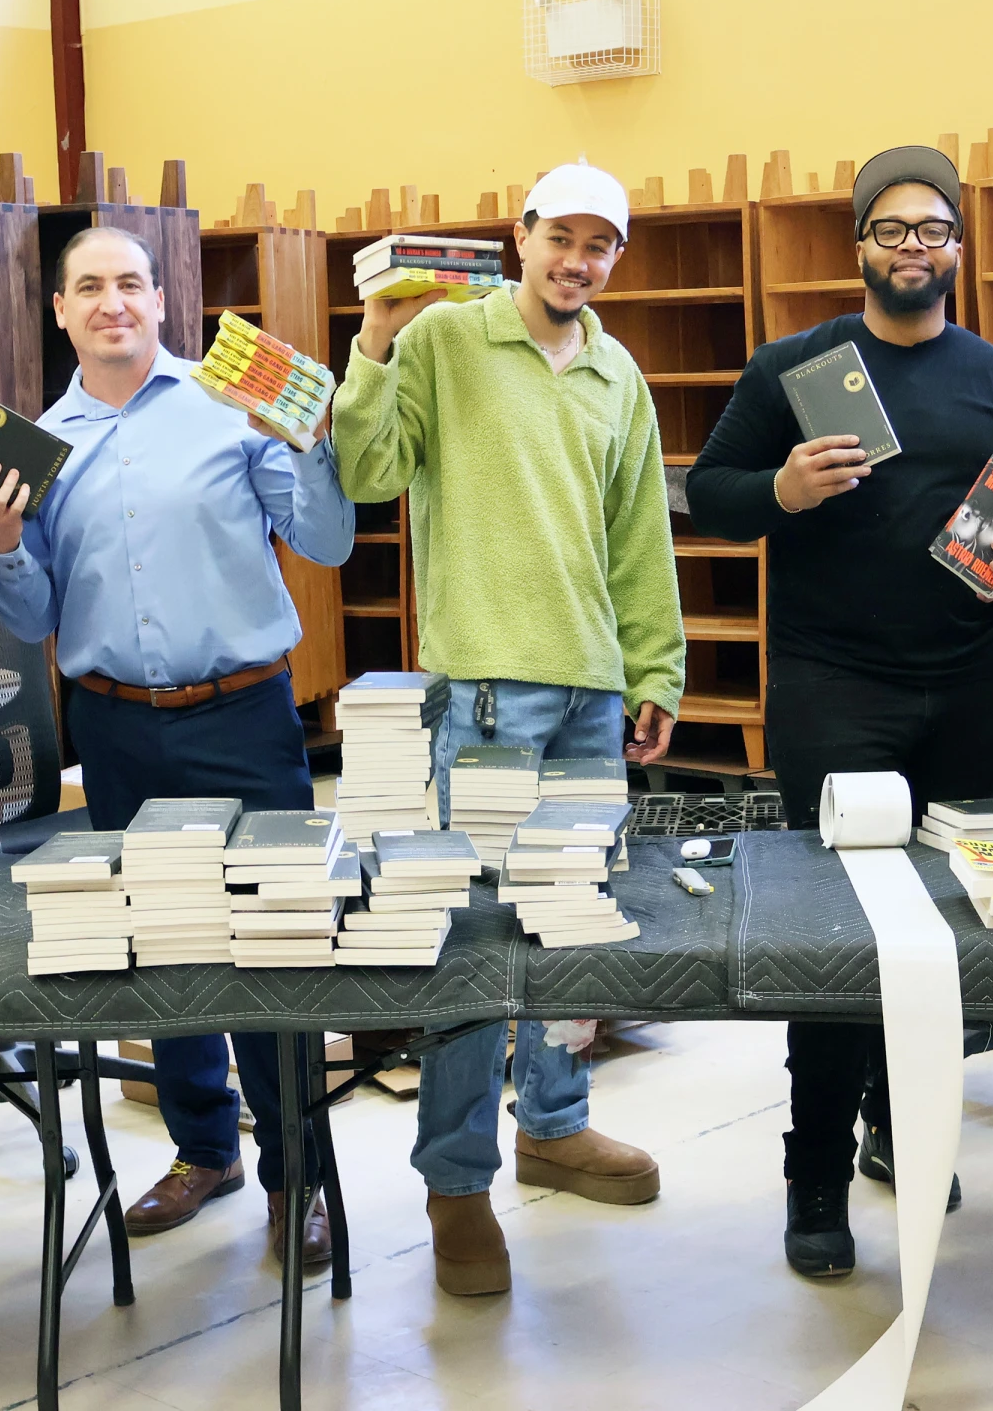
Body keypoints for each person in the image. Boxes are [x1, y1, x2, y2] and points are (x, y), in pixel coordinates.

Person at [686, 145, 993, 1278]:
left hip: (961, 685)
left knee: (949, 923)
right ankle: (814, 1167)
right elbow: (711, 495)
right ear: (859, 246)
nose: (915, 247)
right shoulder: (792, 367)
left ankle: (905, 1127)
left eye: (934, 229)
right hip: (829, 688)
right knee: (833, 934)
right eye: (893, 229)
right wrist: (783, 491)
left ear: (959, 246)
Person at [0, 226, 352, 1269]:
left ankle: (295, 1176)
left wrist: (306, 442)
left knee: (269, 945)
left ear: (164, 301)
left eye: (130, 282)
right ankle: (203, 1148)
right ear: (60, 311)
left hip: (244, 713)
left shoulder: (232, 409)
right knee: (164, 942)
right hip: (116, 721)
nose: (112, 301)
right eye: (89, 286)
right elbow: (35, 615)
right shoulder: (37, 445)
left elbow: (327, 542)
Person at [330, 161, 684, 1297]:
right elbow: (368, 466)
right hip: (482, 692)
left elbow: (639, 540)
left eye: (602, 245)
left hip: (589, 691)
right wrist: (374, 345)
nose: (579, 260)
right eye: (561, 237)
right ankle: (456, 1184)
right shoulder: (443, 341)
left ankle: (556, 1123)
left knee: (569, 930)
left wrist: (656, 667)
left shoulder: (619, 371)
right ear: (520, 235)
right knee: (474, 948)